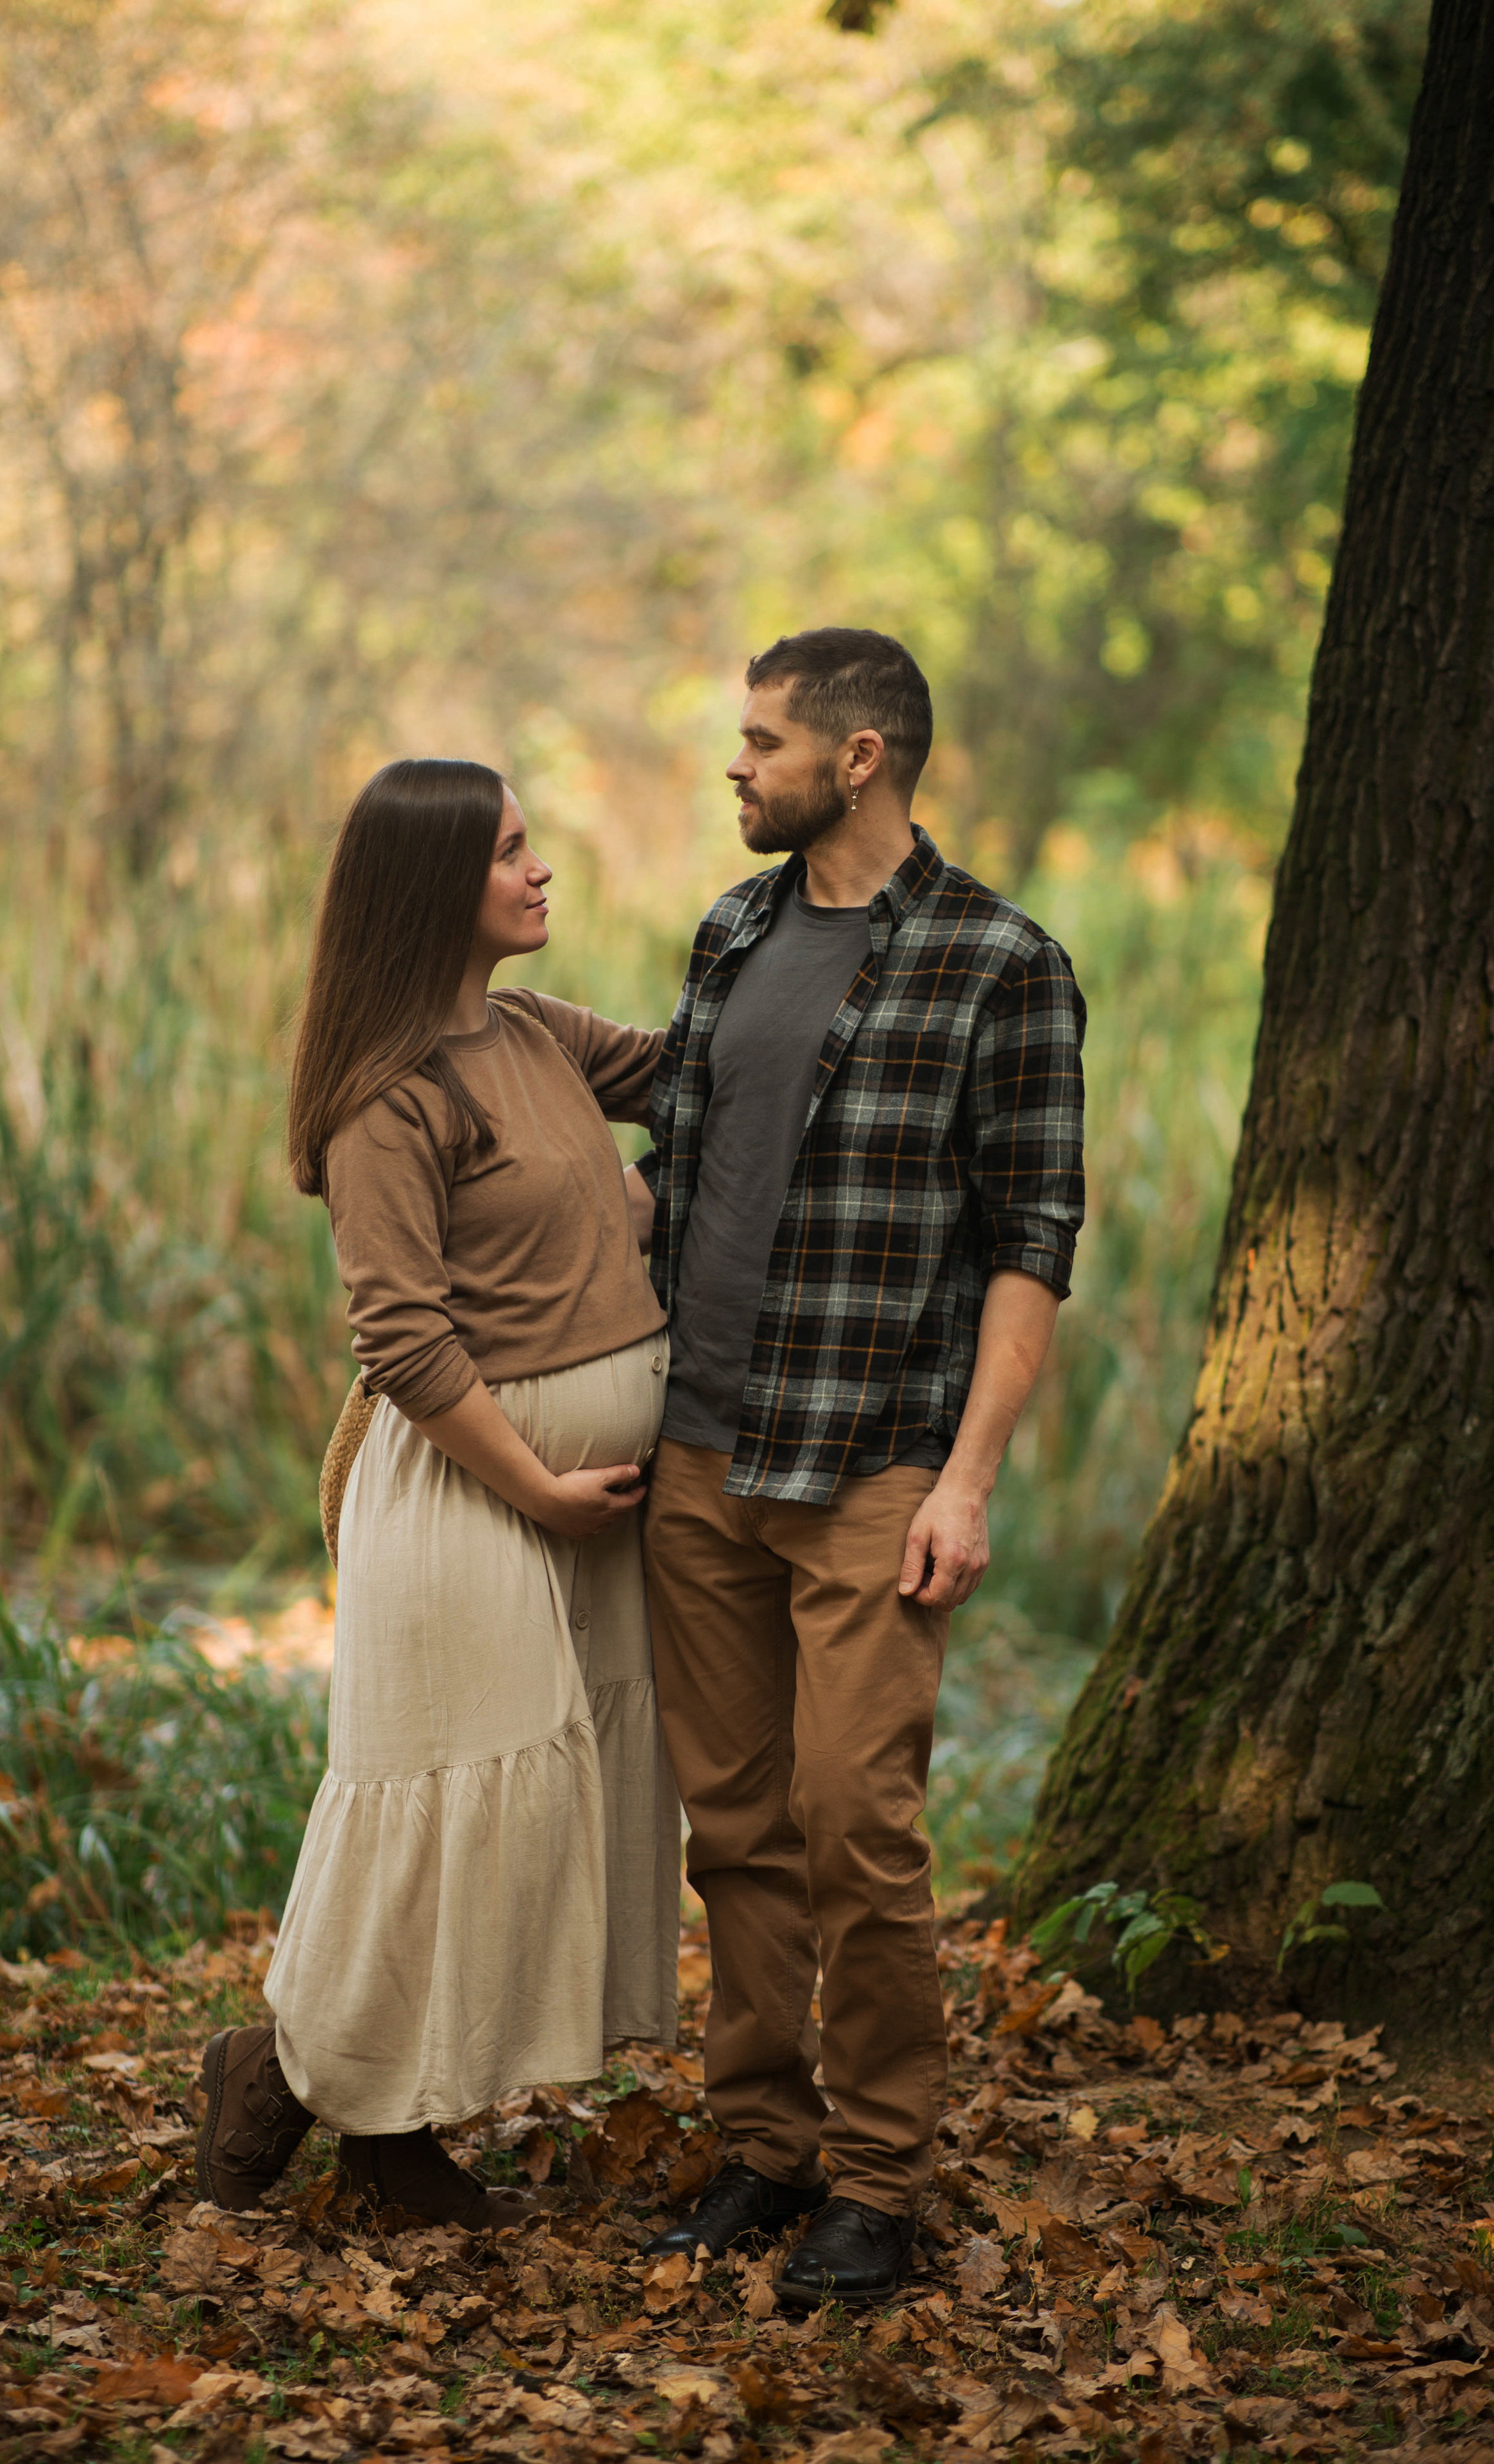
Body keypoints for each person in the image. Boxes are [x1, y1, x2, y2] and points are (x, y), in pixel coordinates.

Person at [632, 628, 1085, 2307]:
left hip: (875, 1466)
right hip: (697, 1457)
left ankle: (879, 2184)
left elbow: (1032, 1242)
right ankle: (765, 2149)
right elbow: (682, 1175)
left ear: (861, 756)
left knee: (856, 1831)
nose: (737, 765)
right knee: (737, 1834)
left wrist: (967, 1482)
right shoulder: (731, 931)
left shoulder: (1000, 963)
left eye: (763, 741)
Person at [195, 757, 681, 2228]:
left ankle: (385, 2132)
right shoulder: (388, 1098)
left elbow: (704, 1071)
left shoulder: (539, 1035)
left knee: (525, 1818)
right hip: (474, 1492)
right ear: (429, 887)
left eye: (533, 845)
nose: (540, 872)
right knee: (443, 1814)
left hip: (574, 1502)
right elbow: (402, 1341)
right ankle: (283, 2078)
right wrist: (538, 1487)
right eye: (508, 852)